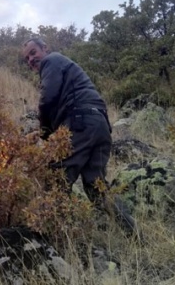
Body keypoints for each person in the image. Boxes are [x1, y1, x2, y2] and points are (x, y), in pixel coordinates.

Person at [22, 37, 137, 235]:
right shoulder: (66, 68)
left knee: (55, 177)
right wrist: (45, 134)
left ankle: (53, 239)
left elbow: (47, 98)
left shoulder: (52, 60)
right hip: (100, 126)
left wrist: (43, 133)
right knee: (96, 187)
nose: (31, 59)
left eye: (33, 52)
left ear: (45, 48)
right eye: (27, 58)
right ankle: (133, 234)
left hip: (80, 122)